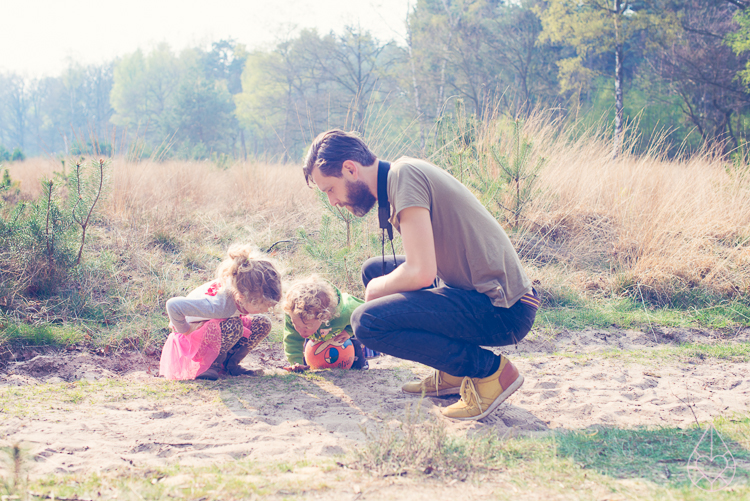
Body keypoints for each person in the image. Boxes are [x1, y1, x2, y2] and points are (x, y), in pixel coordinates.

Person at [301, 129, 540, 421]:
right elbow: (425, 263)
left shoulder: (404, 178)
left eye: (330, 189)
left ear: (350, 169)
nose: (333, 201)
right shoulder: (398, 177)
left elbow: (422, 272)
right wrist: (378, 282)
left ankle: (489, 372)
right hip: (478, 293)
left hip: (505, 308)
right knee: (373, 270)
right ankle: (454, 371)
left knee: (367, 322)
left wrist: (376, 290)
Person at [160, 244, 282, 381]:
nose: (265, 310)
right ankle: (210, 365)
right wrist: (185, 330)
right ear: (242, 297)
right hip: (191, 340)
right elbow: (173, 305)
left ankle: (230, 365)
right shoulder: (220, 306)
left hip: (216, 328)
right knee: (234, 325)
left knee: (263, 322)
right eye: (261, 306)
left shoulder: (242, 286)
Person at [282, 275, 371, 371]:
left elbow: (366, 315)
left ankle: (360, 362)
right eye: (296, 325)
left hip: (340, 331)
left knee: (357, 365)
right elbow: (292, 339)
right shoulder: (294, 315)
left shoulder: (346, 311)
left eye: (307, 327)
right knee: (305, 363)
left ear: (324, 316)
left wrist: (349, 331)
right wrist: (296, 362)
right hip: (315, 337)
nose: (301, 332)